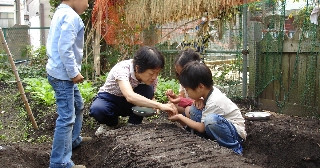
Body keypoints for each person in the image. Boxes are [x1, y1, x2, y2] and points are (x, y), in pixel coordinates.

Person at [90, 46, 176, 136]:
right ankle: (110, 124)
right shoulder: (122, 69)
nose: (154, 77)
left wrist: (154, 104)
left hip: (129, 104)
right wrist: (160, 105)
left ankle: (134, 124)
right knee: (98, 109)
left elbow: (151, 95)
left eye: (157, 73)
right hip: (111, 99)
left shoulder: (151, 77)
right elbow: (130, 96)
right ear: (138, 68)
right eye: (151, 73)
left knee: (147, 89)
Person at [168, 61, 247, 155]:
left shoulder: (215, 101)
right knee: (194, 110)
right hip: (223, 127)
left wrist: (180, 117)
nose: (186, 93)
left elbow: (202, 127)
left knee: (211, 120)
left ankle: (235, 149)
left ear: (200, 87)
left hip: (235, 134)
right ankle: (204, 140)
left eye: (187, 89)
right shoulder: (208, 93)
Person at [46, 0, 89, 167]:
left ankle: (73, 140)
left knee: (78, 105)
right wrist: (73, 73)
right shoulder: (71, 17)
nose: (87, 5)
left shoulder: (61, 12)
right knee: (66, 118)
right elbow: (65, 48)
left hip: (58, 71)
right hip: (64, 76)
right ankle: (60, 163)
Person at [165, 48, 204, 118]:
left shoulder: (201, 81)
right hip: (189, 106)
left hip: (199, 110)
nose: (180, 76)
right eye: (178, 73)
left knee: (189, 110)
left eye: (182, 73)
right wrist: (175, 97)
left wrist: (181, 100)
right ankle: (184, 125)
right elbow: (182, 97)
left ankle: (189, 124)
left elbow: (201, 103)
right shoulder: (184, 80)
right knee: (170, 105)